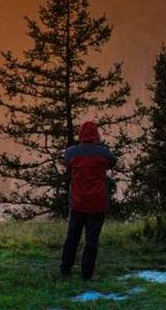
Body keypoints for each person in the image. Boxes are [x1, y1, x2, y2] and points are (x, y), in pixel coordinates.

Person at [60, 120, 117, 280]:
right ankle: (87, 274)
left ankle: (65, 270)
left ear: (81, 134)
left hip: (78, 202)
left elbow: (66, 164)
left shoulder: (71, 152)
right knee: (91, 240)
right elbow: (113, 162)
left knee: (72, 237)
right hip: (97, 203)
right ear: (96, 135)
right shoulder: (103, 153)